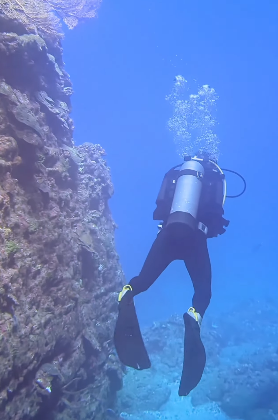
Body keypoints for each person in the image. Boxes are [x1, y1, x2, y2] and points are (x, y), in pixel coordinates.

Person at [114, 153, 233, 396]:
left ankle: (127, 292)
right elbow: (217, 217)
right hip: (195, 238)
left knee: (143, 281)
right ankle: (194, 316)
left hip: (167, 234)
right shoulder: (215, 177)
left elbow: (160, 207)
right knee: (202, 292)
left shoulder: (176, 175)